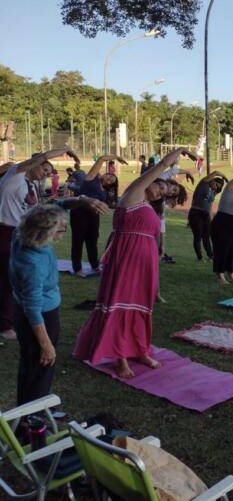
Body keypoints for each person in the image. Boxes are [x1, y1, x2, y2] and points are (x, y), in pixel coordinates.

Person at [73, 148, 185, 379]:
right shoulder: (132, 197)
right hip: (125, 258)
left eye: (164, 191)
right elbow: (154, 172)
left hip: (145, 261)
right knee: (120, 304)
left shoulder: (148, 208)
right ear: (149, 183)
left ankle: (140, 349)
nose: (160, 192)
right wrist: (171, 158)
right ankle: (120, 357)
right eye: (159, 186)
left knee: (142, 306)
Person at [0, 148, 87, 340]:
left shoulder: (31, 186)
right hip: (5, 231)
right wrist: (65, 150)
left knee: (21, 278)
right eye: (44, 170)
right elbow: (40, 157)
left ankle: (13, 317)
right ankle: (5, 324)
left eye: (48, 173)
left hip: (22, 232)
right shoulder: (15, 174)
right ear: (35, 164)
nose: (45, 174)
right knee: (8, 278)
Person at [9, 205, 68, 404]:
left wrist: (82, 200)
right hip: (41, 318)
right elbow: (33, 309)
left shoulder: (21, 234)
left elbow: (55, 208)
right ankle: (31, 424)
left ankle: (26, 413)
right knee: (40, 369)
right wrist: (46, 345)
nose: (64, 229)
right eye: (61, 228)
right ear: (44, 232)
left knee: (29, 366)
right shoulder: (32, 264)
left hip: (24, 311)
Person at [71, 155, 126, 277]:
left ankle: (95, 266)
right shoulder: (91, 178)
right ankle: (77, 269)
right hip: (79, 213)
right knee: (77, 242)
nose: (109, 178)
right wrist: (117, 157)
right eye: (109, 176)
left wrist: (98, 226)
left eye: (111, 181)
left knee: (92, 242)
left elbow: (102, 208)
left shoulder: (104, 192)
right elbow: (101, 159)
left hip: (93, 217)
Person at [188, 171, 227, 261]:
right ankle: (200, 257)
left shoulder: (213, 192)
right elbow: (215, 172)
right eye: (216, 185)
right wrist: (223, 176)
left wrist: (211, 219)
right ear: (213, 180)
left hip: (206, 215)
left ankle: (211, 256)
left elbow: (210, 206)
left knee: (206, 236)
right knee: (198, 235)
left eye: (218, 187)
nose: (216, 187)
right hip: (196, 213)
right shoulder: (203, 184)